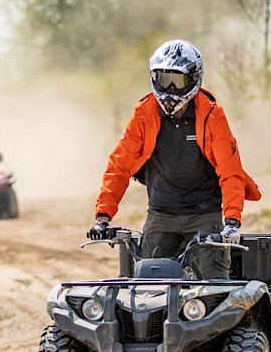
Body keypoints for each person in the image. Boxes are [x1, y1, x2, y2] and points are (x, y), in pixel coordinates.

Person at [88, 39, 261, 279]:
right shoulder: (143, 113)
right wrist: (103, 217)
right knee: (146, 285)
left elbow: (230, 170)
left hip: (204, 214)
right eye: (163, 79)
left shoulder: (212, 114)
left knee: (215, 286)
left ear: (193, 79)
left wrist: (232, 222)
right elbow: (119, 165)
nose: (169, 88)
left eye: (176, 81)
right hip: (161, 213)